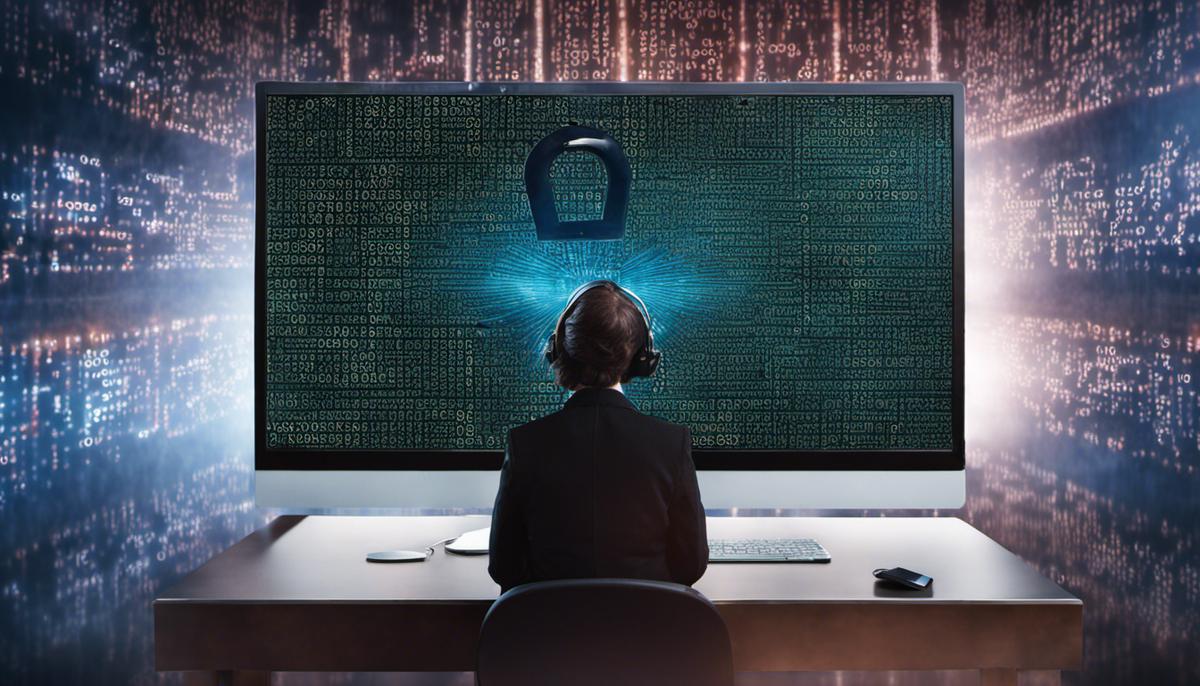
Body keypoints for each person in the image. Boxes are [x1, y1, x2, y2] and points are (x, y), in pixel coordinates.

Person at [488, 281, 708, 593]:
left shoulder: (525, 444)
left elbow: (504, 568)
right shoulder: (672, 443)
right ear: (641, 357)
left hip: (546, 634)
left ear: (559, 350)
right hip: (648, 633)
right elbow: (691, 565)